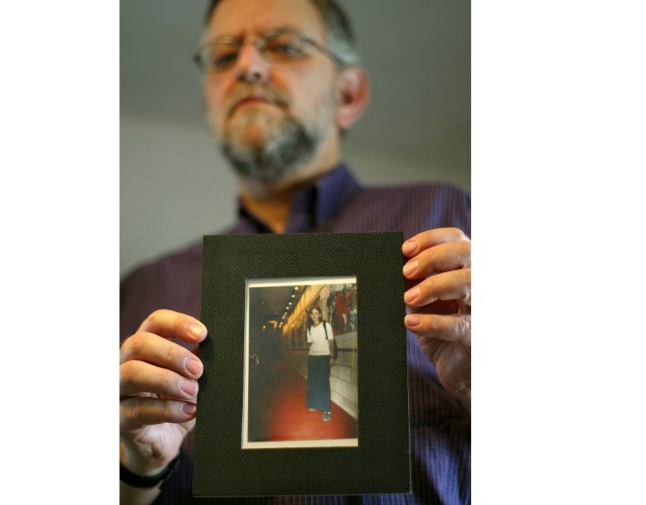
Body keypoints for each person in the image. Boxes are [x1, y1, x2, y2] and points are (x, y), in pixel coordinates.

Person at [119, 0, 471, 503]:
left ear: (347, 94)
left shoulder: (453, 222)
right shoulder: (143, 292)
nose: (248, 66)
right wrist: (137, 468)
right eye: (222, 57)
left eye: (284, 46)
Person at [305, 306, 336, 421]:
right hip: (312, 357)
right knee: (312, 382)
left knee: (324, 383)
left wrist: (332, 356)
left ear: (320, 315)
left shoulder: (326, 325)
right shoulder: (309, 327)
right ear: (310, 315)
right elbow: (311, 343)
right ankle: (314, 404)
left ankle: (327, 410)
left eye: (316, 313)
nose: (314, 315)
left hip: (324, 357)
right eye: (312, 313)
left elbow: (331, 341)